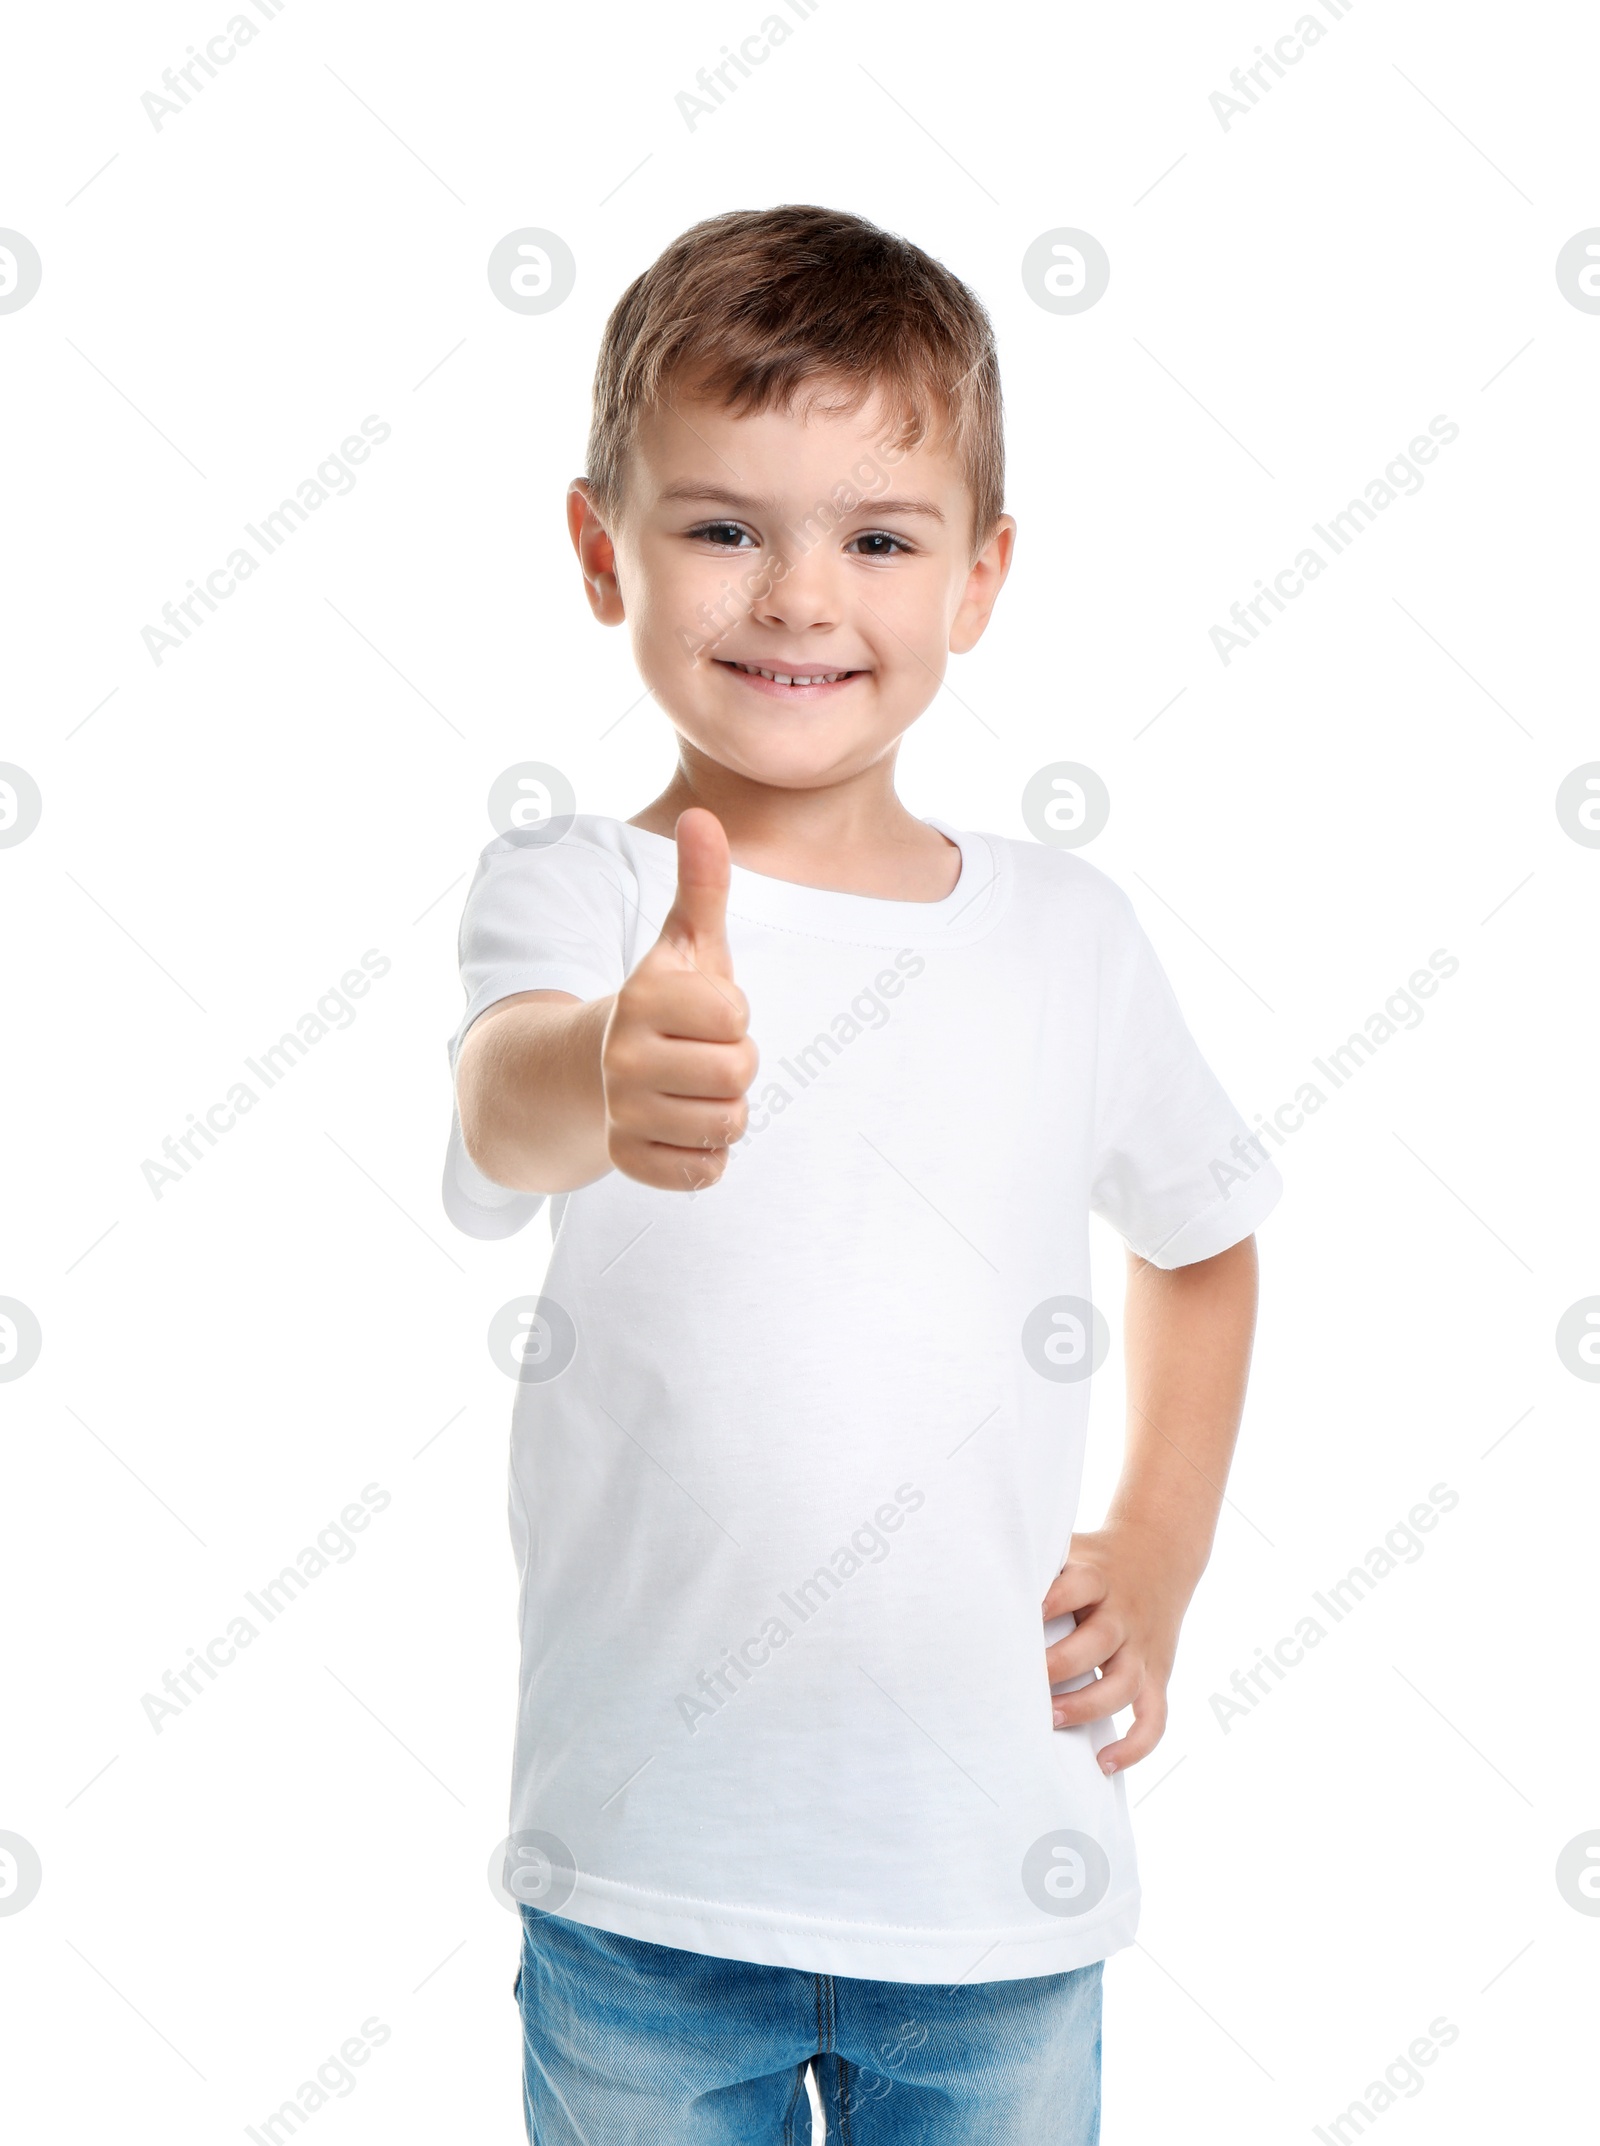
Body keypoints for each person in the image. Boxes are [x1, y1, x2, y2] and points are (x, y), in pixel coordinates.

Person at [446, 203, 1283, 2145]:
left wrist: (1155, 1547)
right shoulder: (577, 891)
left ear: (981, 575)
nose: (796, 593)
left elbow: (1204, 1236)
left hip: (986, 1877)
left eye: (878, 535)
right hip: (646, 1881)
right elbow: (499, 1110)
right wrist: (600, 1064)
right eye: (721, 523)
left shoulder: (1067, 935)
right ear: (601, 550)